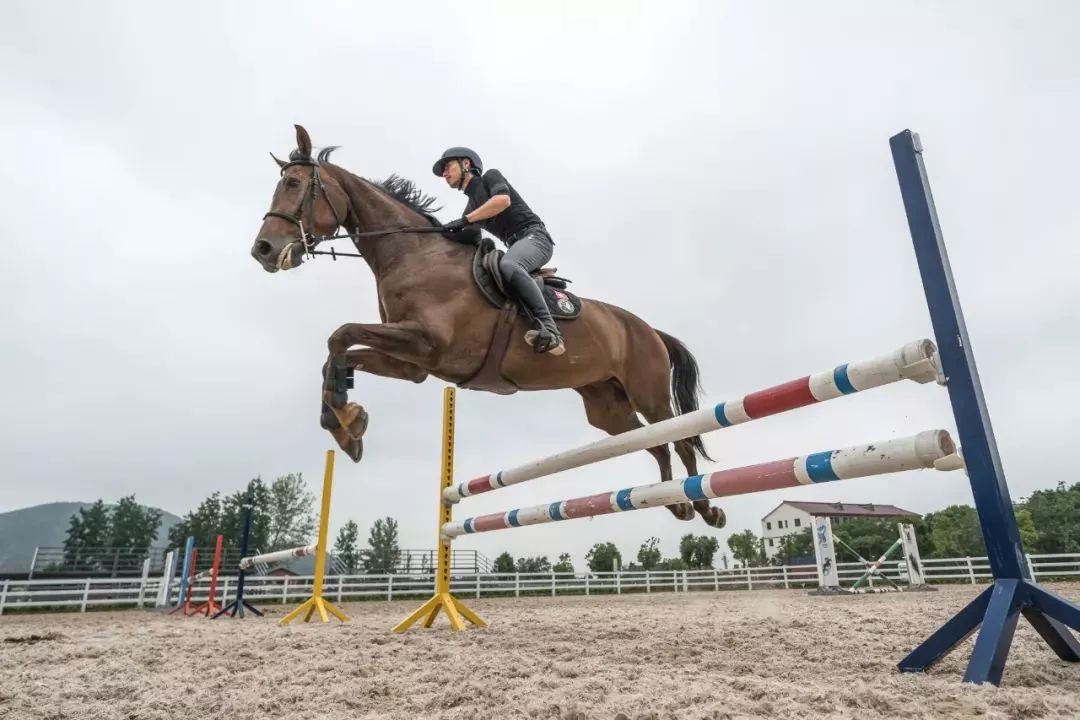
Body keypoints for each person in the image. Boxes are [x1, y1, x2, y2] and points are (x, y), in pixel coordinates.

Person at [433, 147, 565, 356]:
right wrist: (438, 231)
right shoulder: (470, 208)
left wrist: (465, 220)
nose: (444, 174)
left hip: (535, 237)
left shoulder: (490, 177)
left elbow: (502, 202)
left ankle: (550, 329)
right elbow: (472, 237)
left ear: (466, 164)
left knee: (509, 264)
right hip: (516, 244)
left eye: (448, 167)